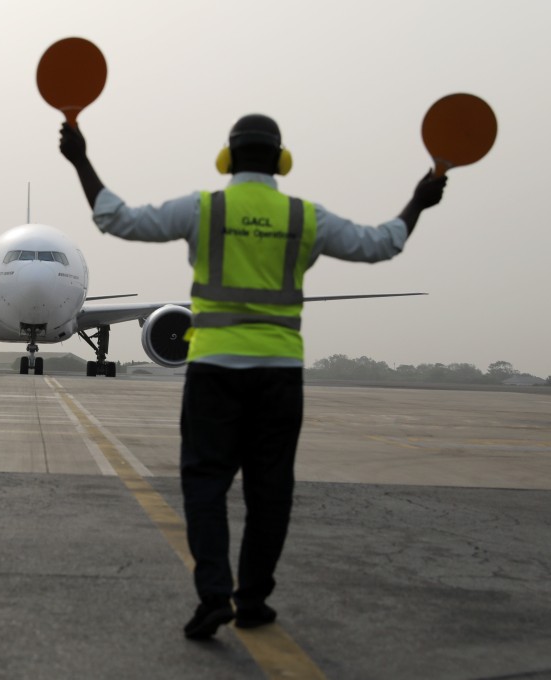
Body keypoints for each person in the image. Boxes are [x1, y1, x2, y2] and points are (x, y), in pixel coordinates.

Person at [59, 114, 446, 640]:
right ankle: (254, 599)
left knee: (205, 484)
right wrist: (420, 199)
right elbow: (383, 243)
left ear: (227, 158)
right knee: (270, 491)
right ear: (281, 161)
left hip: (215, 370)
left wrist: (80, 158)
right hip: (279, 374)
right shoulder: (304, 217)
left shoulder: (205, 209)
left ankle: (214, 595)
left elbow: (116, 219)